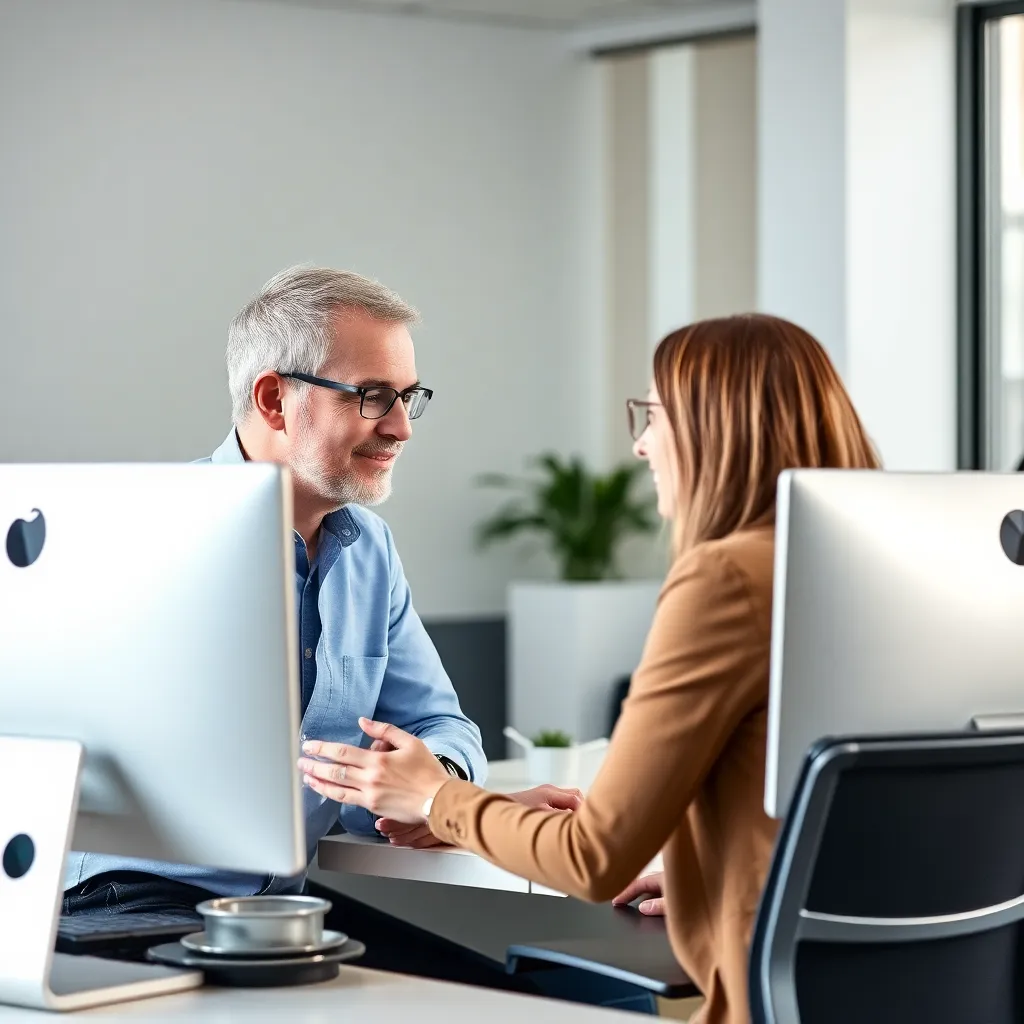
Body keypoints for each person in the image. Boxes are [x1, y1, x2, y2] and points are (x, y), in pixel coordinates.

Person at [298, 313, 881, 1024]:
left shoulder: (725, 580)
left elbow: (593, 856)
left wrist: (433, 798)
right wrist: (712, 878)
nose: (640, 446)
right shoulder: (862, 573)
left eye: (653, 415)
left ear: (719, 425)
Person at [62, 265, 576, 918]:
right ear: (274, 400)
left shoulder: (371, 553)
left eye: (408, 398)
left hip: (283, 909)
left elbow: (437, 724)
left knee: (570, 994)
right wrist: (415, 797)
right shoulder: (145, 536)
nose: (401, 428)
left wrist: (435, 796)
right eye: (371, 395)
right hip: (130, 905)